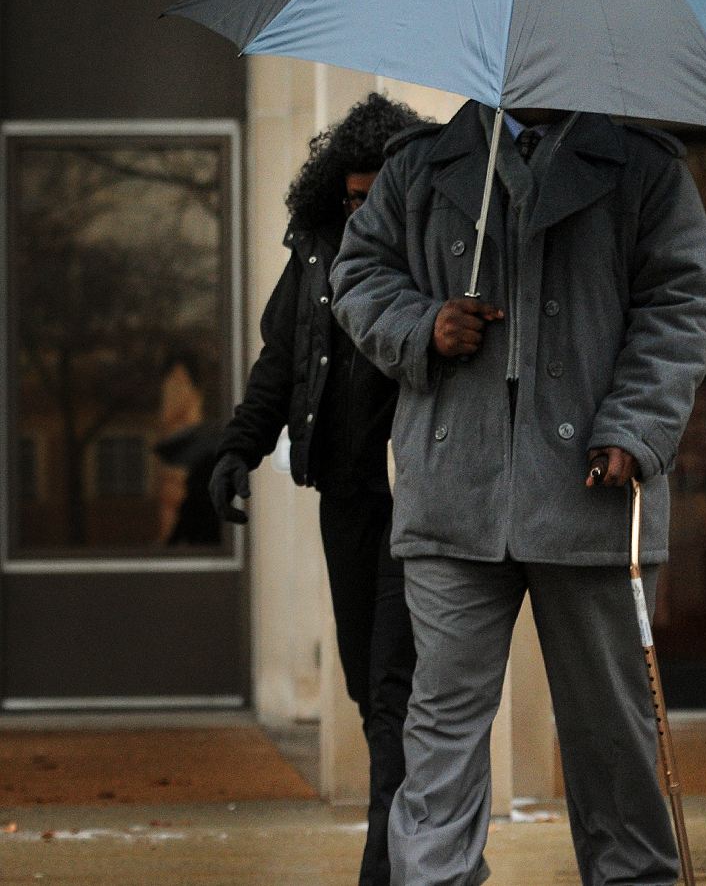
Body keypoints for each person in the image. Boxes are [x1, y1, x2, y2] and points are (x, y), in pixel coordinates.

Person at [330, 100, 706, 886]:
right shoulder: (422, 165)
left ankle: (634, 878)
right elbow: (357, 274)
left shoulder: (644, 169)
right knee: (440, 724)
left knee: (611, 727)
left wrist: (637, 425)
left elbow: (682, 304)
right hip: (452, 494)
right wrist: (424, 325)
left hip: (593, 492)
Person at [209, 92, 426, 886]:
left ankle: (387, 866)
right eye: (352, 197)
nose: (364, 211)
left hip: (423, 495)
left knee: (395, 688)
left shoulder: (431, 252)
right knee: (370, 687)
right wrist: (239, 447)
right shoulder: (317, 247)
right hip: (349, 491)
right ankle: (402, 856)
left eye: (378, 197)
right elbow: (282, 358)